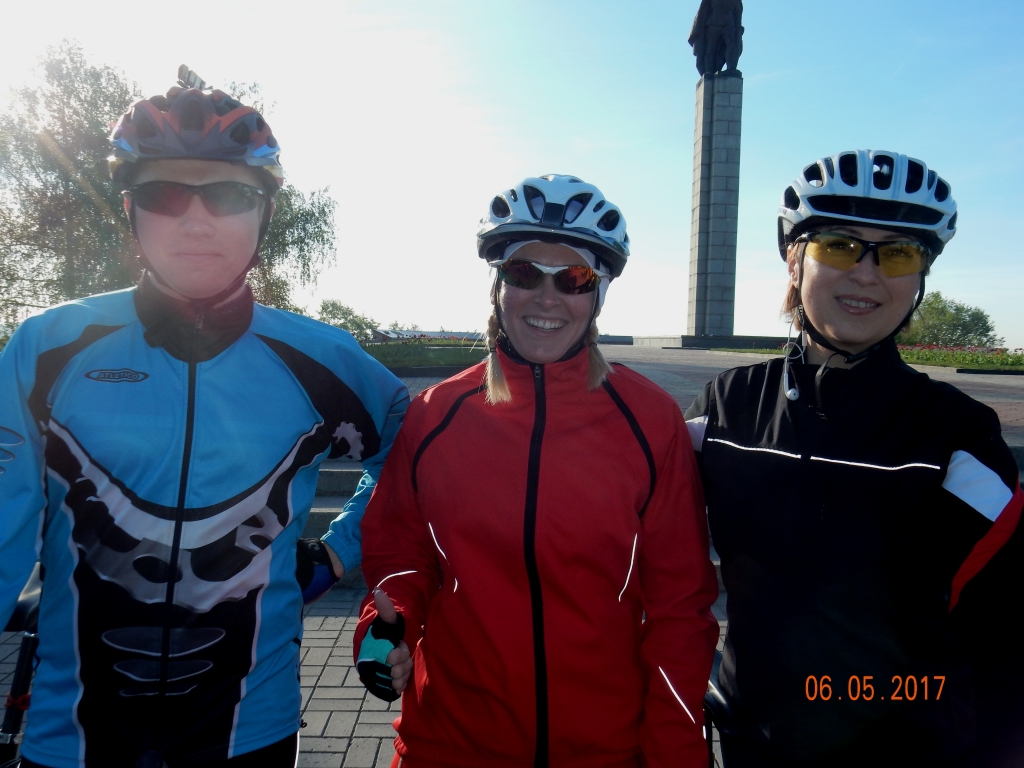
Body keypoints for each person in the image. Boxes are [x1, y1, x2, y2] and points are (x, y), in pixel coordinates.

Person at [0, 82, 408, 767]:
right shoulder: (47, 349)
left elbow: (415, 458)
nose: (195, 221)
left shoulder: (324, 361)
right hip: (70, 738)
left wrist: (340, 551)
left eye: (226, 194)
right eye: (164, 194)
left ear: (264, 212)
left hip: (250, 733)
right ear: (129, 209)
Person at [353, 174, 720, 768]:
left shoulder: (650, 421)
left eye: (573, 279)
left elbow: (680, 607)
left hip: (605, 750)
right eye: (525, 273)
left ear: (597, 295)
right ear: (498, 285)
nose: (547, 298)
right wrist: (386, 625)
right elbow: (401, 552)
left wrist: (677, 753)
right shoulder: (436, 415)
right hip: (449, 745)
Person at [686, 150, 1024, 767]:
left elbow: (1004, 643)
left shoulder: (958, 436)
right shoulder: (726, 407)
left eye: (898, 254)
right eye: (840, 246)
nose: (867, 274)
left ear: (920, 278)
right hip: (749, 740)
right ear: (796, 261)